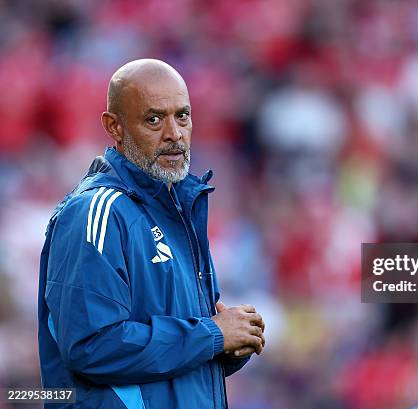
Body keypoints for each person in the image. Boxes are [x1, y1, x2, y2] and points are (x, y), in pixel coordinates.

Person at [37, 59, 265, 409]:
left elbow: (173, 359)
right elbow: (91, 346)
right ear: (115, 126)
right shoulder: (96, 212)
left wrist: (231, 344)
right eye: (154, 119)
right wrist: (213, 334)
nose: (174, 133)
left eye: (183, 116)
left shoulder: (180, 211)